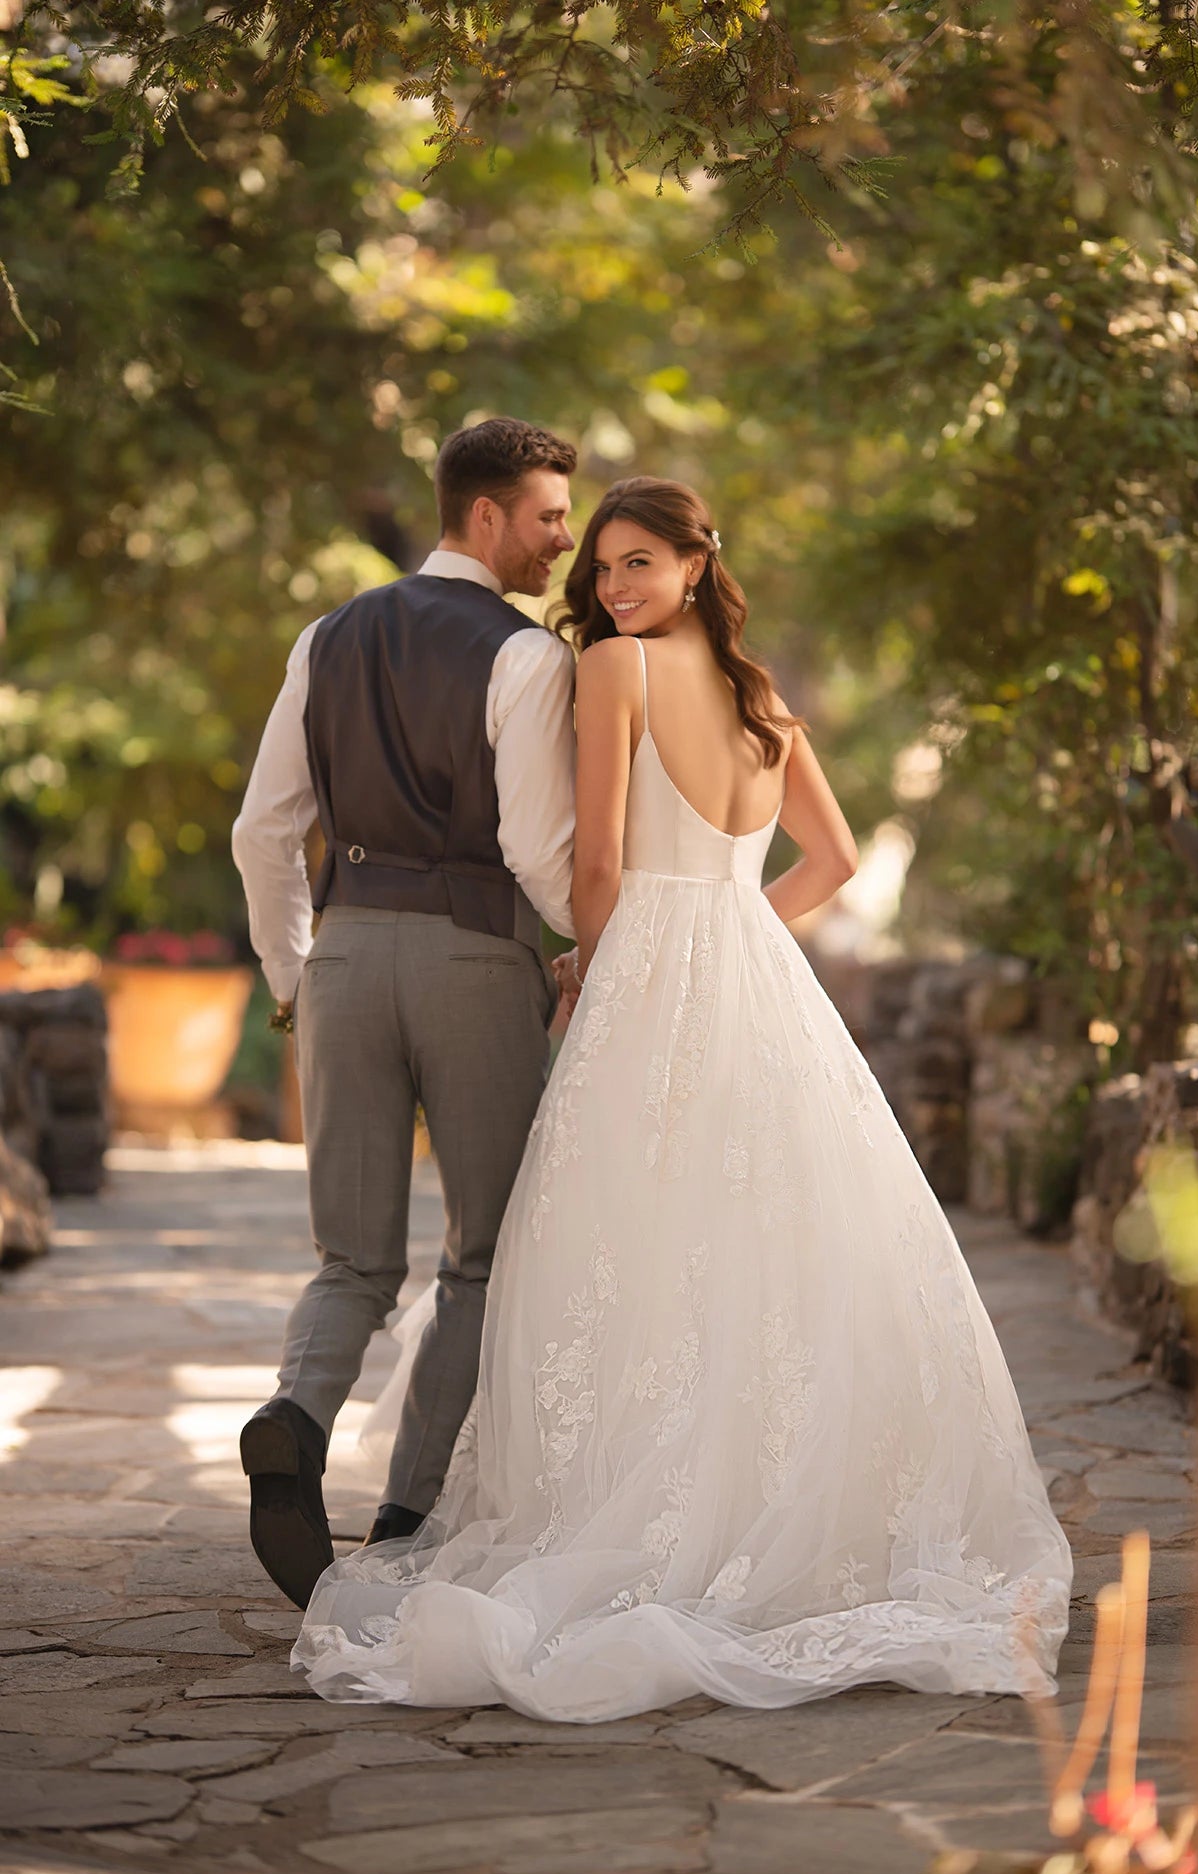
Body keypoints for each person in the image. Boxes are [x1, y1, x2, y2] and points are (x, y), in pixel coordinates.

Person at [292, 476, 1072, 1722]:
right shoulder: (768, 709)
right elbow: (836, 862)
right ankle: (760, 1518)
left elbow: (595, 858)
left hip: (650, 972)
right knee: (754, 1245)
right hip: (755, 979)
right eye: (601, 569)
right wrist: (736, 930)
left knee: (625, 1242)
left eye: (638, 564)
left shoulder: (619, 673)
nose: (612, 590)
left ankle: (650, 1516)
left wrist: (591, 967)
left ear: (699, 565)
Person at [232, 417, 578, 1609]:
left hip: (340, 957)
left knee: (353, 1255)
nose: (561, 541)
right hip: (477, 958)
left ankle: (296, 1413)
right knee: (484, 1250)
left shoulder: (326, 636)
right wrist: (593, 946)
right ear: (483, 517)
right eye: (546, 517)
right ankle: (409, 1514)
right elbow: (538, 850)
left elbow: (261, 830)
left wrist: (290, 977)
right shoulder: (528, 657)